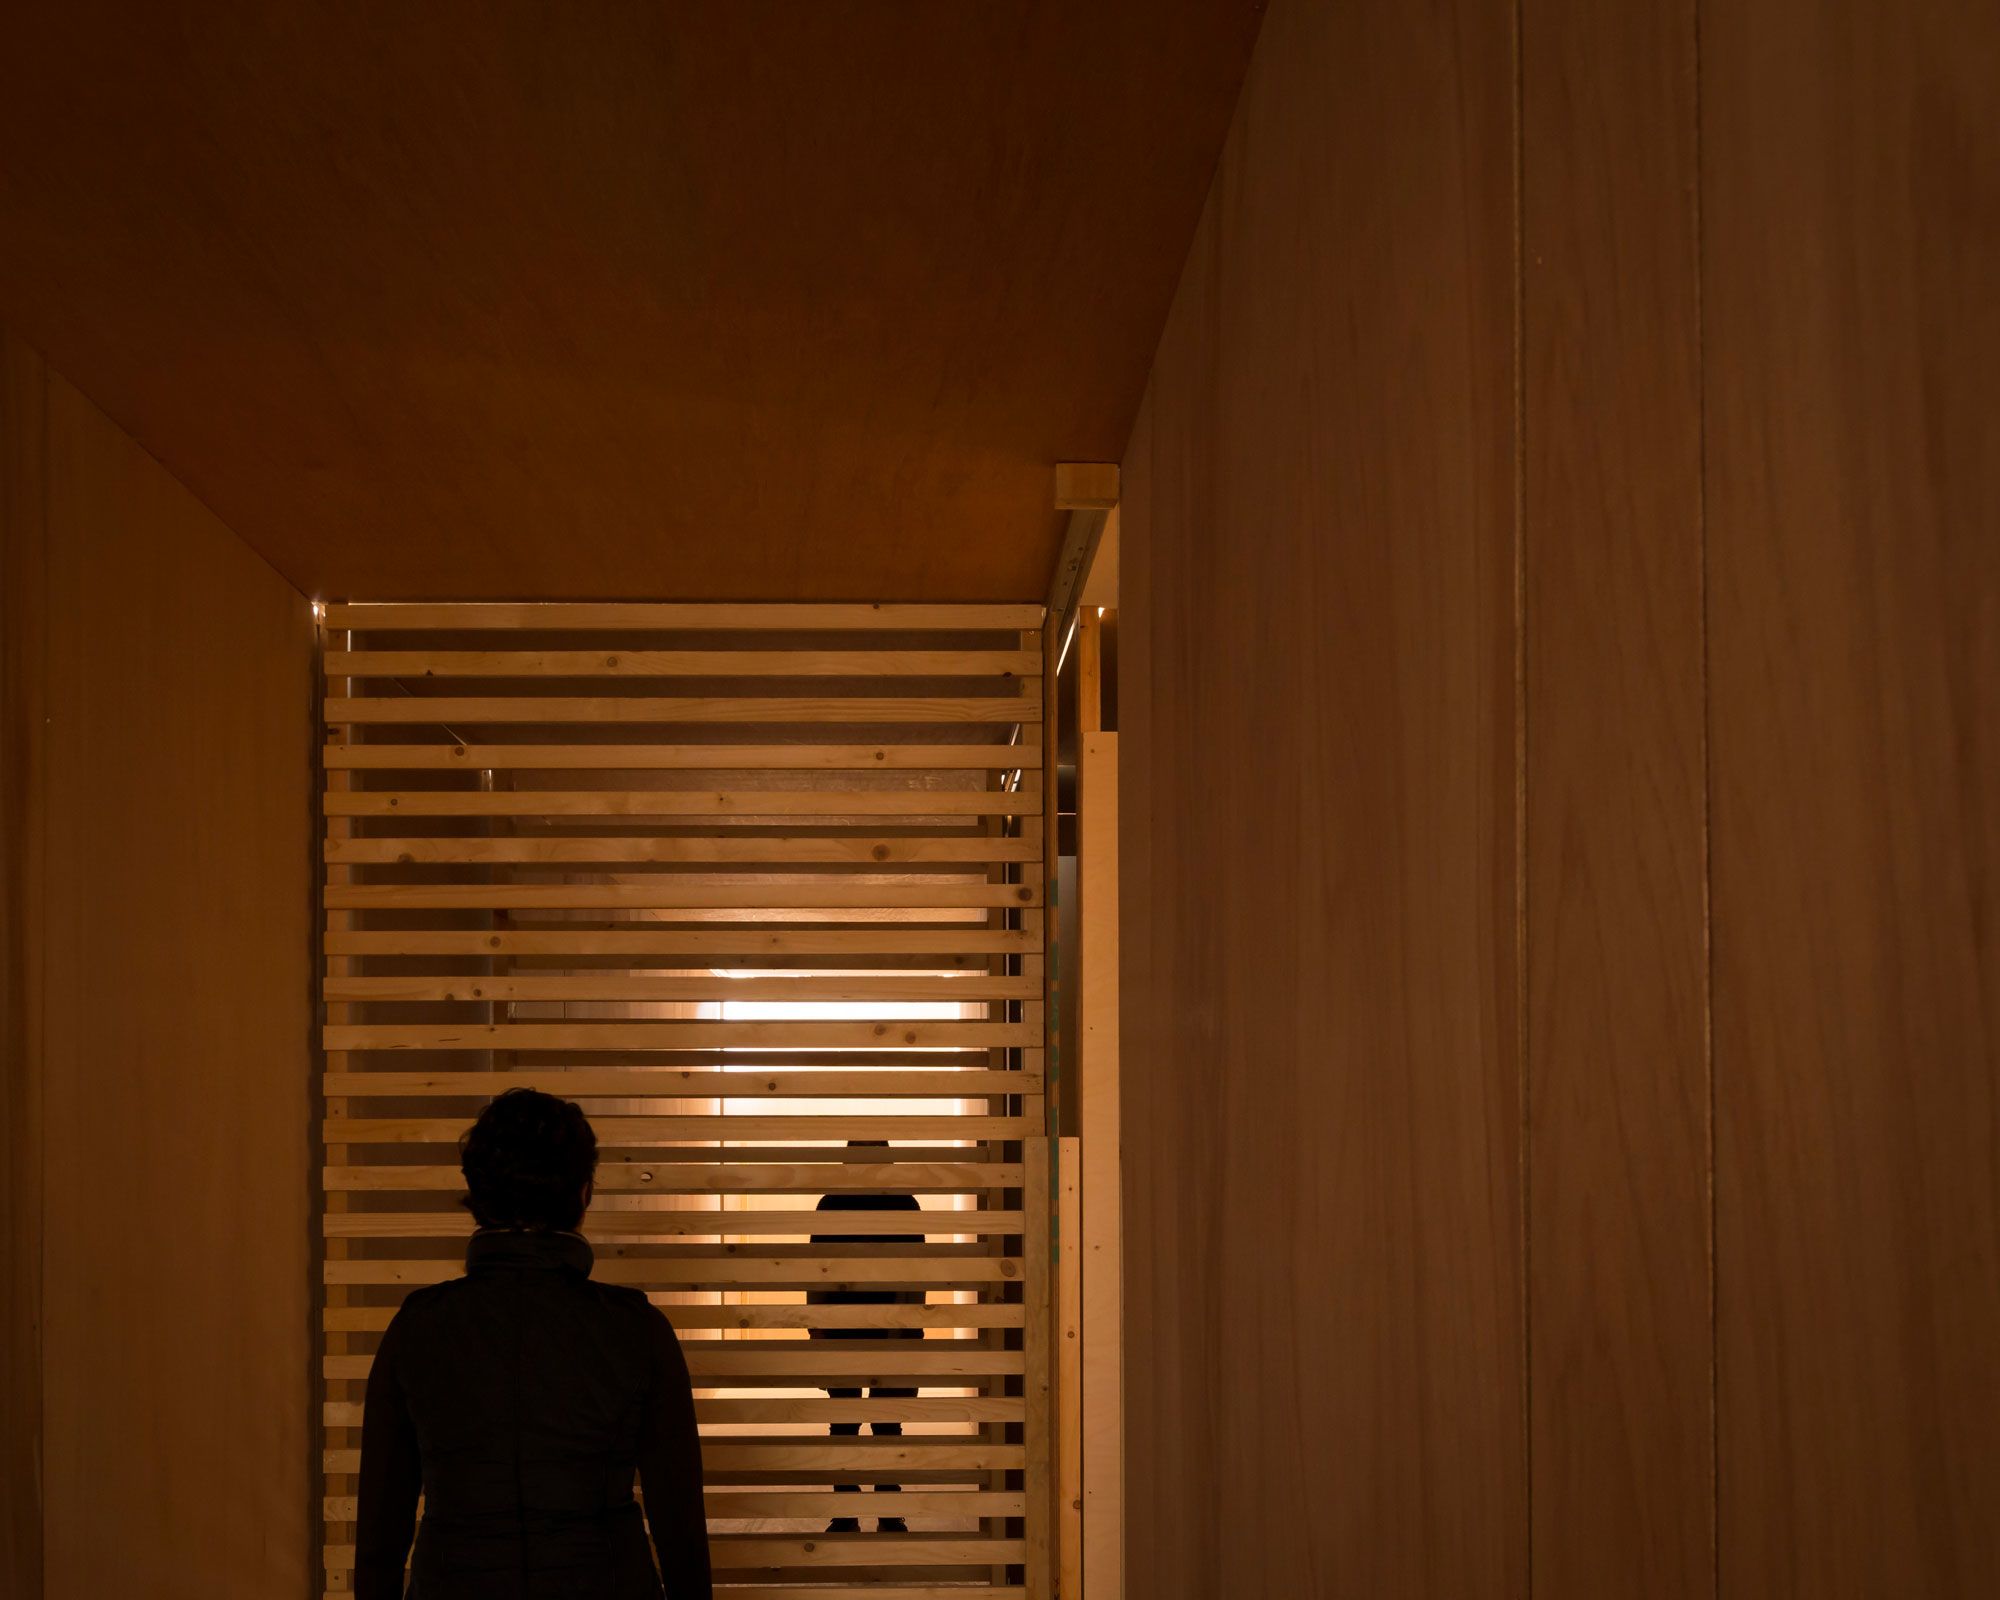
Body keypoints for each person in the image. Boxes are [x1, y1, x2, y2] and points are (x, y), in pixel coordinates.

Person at [356, 1088, 711, 1599]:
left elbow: (380, 1536)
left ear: (475, 1192)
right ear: (584, 1192)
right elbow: (679, 1524)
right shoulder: (637, 1329)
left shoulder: (418, 1327)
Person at [808, 1139, 924, 1535]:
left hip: (881, 1328)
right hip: (852, 1328)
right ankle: (860, 1514)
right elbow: (817, 1268)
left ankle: (871, 1514)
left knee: (876, 1426)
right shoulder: (839, 1204)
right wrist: (817, 1327)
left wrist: (902, 1329)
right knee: (860, 1426)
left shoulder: (896, 1204)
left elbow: (915, 1273)